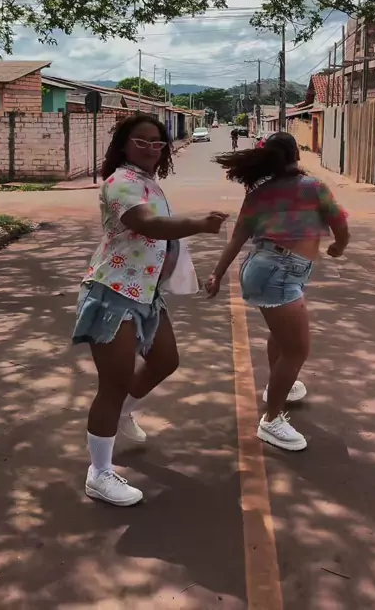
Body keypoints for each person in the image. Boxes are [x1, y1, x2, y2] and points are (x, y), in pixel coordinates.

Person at [73, 113, 228, 506]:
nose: (150, 149)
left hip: (144, 294)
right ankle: (99, 474)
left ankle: (123, 413)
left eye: (157, 143)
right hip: (112, 294)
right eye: (141, 142)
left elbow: (157, 236)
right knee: (113, 384)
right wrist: (198, 224)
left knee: (165, 360)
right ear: (124, 145)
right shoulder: (120, 182)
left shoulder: (147, 182)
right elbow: (147, 224)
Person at [206, 132, 349, 452]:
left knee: (282, 337)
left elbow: (238, 236)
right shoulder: (313, 187)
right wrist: (339, 247)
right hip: (279, 273)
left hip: (265, 268)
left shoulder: (260, 192)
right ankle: (271, 420)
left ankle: (277, 387)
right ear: (296, 155)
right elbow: (339, 223)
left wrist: (217, 273)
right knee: (297, 350)